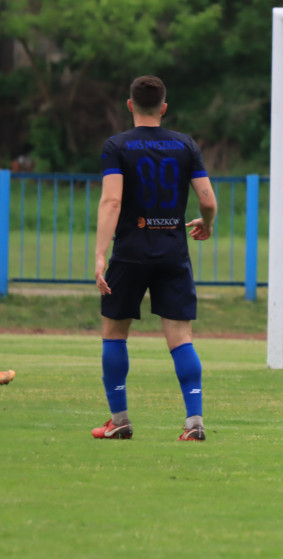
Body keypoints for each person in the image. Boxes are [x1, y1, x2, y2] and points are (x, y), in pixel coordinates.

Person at [92, 75, 217, 440]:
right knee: (181, 338)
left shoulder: (116, 146)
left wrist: (100, 255)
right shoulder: (185, 145)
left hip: (130, 252)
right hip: (173, 252)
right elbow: (207, 200)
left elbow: (112, 200)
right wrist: (206, 223)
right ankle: (194, 423)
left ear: (130, 105)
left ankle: (120, 420)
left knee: (114, 334)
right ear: (164, 107)